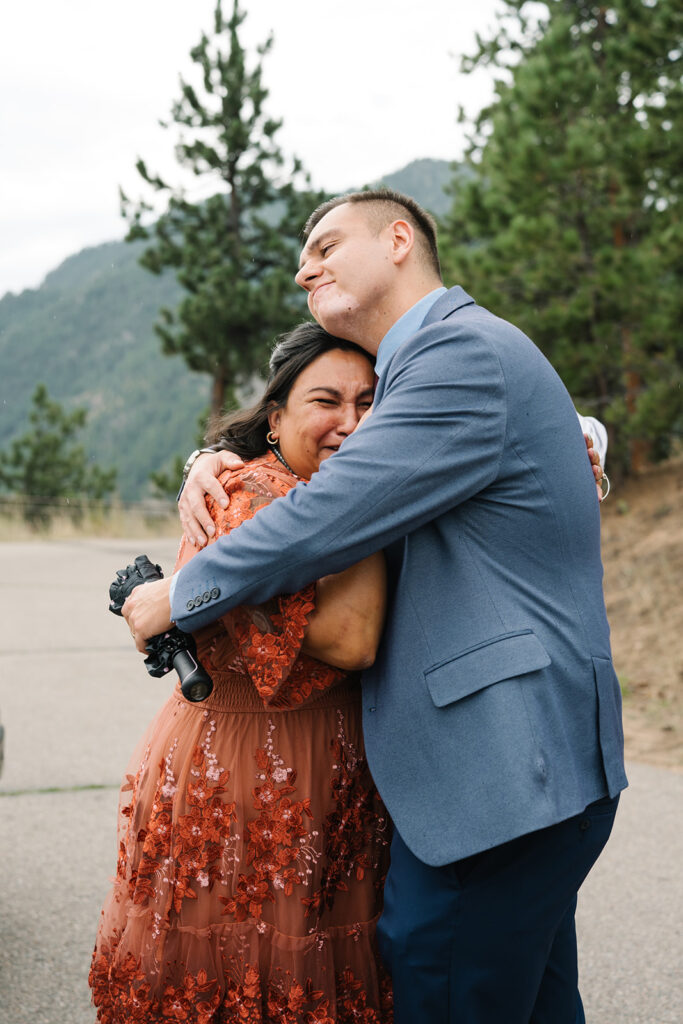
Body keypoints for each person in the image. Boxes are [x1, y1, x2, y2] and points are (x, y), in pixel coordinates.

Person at [124, 188, 627, 1024]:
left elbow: (330, 510)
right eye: (301, 257)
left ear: (399, 240)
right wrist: (211, 454)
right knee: (530, 1003)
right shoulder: (427, 367)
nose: (302, 267)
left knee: (443, 986)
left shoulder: (457, 353)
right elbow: (342, 446)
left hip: (497, 771)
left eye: (324, 245)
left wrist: (178, 594)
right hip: (518, 773)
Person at [90, 324, 394, 1023]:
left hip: (336, 769)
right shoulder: (247, 491)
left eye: (370, 402)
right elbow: (351, 640)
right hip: (247, 768)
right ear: (275, 415)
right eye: (326, 400)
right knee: (236, 969)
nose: (350, 421)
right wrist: (370, 486)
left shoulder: (320, 485)